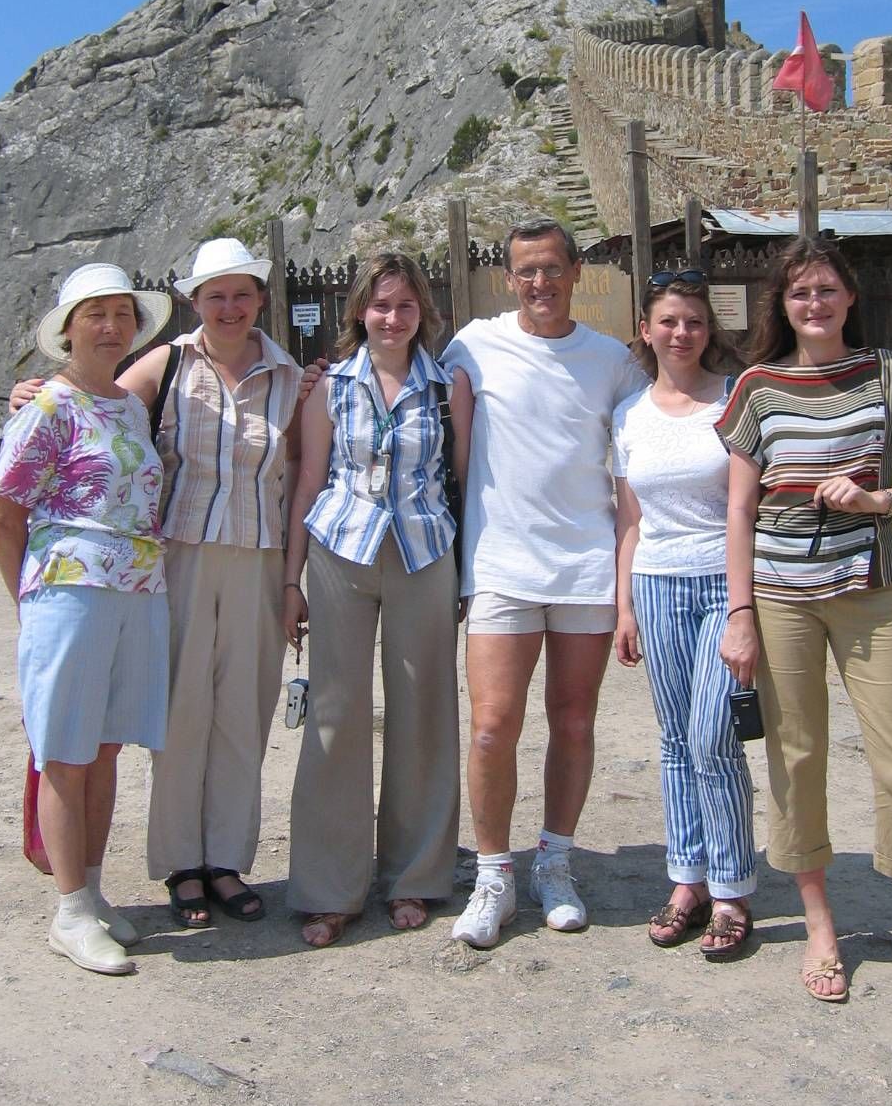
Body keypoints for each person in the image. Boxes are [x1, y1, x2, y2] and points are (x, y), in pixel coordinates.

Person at [717, 236, 892, 1006]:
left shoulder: (889, 374)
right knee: (797, 755)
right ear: (782, 305)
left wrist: (878, 499)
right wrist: (739, 613)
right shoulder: (757, 388)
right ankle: (819, 925)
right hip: (780, 595)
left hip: (869, 589)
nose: (814, 303)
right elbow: (738, 511)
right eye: (799, 292)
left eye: (826, 290)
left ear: (850, 297)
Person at [12, 237, 303, 928]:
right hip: (177, 558)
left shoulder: (293, 378)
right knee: (181, 715)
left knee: (244, 715)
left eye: (241, 294)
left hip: (259, 558)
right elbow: (93, 400)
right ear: (194, 302)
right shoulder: (166, 364)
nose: (229, 308)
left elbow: (299, 479)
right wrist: (30, 393)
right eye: (215, 296)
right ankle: (181, 863)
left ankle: (226, 859)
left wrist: (294, 582)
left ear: (260, 299)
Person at [444, 218, 645, 948]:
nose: (540, 283)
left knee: (574, 721)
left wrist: (627, 585)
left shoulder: (612, 362)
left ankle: (554, 862)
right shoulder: (473, 345)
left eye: (552, 268)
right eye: (526, 271)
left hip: (585, 566)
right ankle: (494, 874)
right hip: (502, 562)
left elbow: (643, 459)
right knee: (492, 726)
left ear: (576, 272)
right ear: (508, 279)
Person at [282, 252, 471, 947]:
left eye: (406, 306)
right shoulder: (328, 386)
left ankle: (414, 875)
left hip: (425, 552)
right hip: (343, 550)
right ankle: (329, 885)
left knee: (424, 712)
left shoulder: (448, 387)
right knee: (335, 713)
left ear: (424, 313)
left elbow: (463, 481)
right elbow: (308, 481)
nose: (393, 318)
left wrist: (467, 577)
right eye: (381, 305)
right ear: (359, 311)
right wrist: (290, 582)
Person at [0, 264, 172, 975]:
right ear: (68, 330)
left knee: (104, 748)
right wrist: (32, 602)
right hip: (69, 588)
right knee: (66, 751)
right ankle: (69, 910)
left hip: (134, 587)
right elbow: (5, 515)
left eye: (122, 314)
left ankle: (91, 892)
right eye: (95, 314)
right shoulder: (47, 405)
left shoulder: (127, 406)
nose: (111, 326)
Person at [612, 270, 756, 958]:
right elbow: (629, 520)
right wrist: (624, 608)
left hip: (721, 582)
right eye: (668, 321)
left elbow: (745, 509)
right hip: (657, 583)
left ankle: (731, 888)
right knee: (674, 740)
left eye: (694, 321)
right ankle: (687, 880)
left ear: (709, 330)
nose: (681, 333)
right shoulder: (628, 415)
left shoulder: (735, 400)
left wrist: (744, 609)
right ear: (646, 330)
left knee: (712, 736)